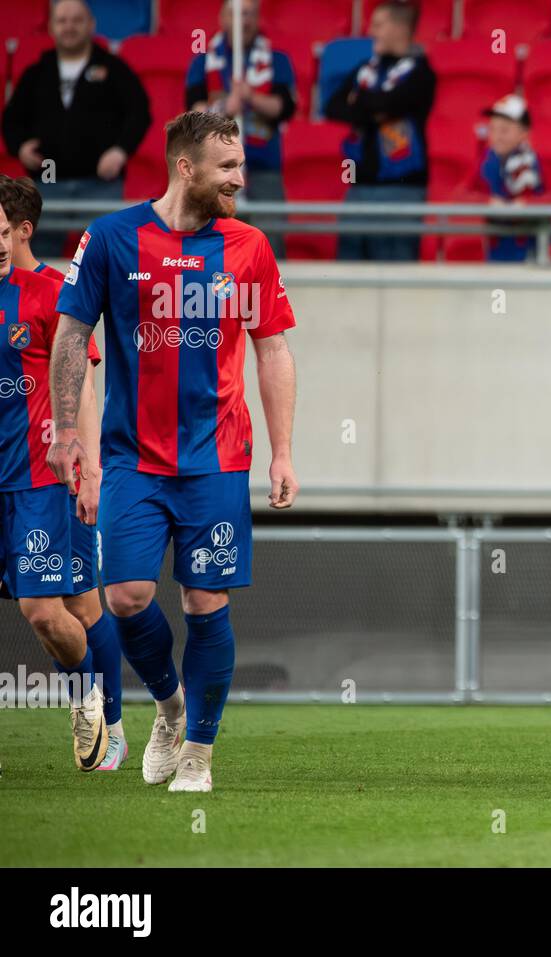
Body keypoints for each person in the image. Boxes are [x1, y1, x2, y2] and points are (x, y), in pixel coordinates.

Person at [48, 110, 300, 793]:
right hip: (132, 457)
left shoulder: (248, 246)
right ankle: (169, 706)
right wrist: (68, 431)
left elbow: (271, 346)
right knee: (127, 595)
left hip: (218, 457)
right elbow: (72, 335)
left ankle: (198, 752)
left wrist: (282, 451)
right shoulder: (111, 237)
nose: (241, 179)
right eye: (228, 168)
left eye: (242, 165)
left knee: (204, 600)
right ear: (184, 167)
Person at [0, 201, 120, 771]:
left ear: (20, 230)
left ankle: (88, 699)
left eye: (3, 232)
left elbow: (87, 387)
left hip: (39, 481)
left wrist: (89, 468)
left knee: (50, 611)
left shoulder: (50, 292)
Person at [2, 0, 150, 260]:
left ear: (91, 25)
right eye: (62, 21)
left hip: (100, 184)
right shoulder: (37, 72)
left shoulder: (113, 68)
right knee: (38, 259)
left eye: (76, 20)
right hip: (47, 181)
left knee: (102, 259)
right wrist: (21, 147)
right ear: (51, 27)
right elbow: (11, 120)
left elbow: (139, 114)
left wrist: (120, 151)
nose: (69, 27)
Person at [324, 0, 436, 261]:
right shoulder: (366, 69)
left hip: (401, 189)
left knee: (394, 276)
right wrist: (375, 108)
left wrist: (361, 101)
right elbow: (332, 106)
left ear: (400, 28)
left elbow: (392, 102)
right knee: (349, 274)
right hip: (358, 186)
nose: (371, 31)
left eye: (378, 25)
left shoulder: (421, 73)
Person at [185, 0, 297, 260]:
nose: (243, 21)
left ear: (258, 19)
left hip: (263, 169)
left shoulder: (276, 60)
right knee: (216, 251)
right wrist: (226, 106)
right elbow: (193, 113)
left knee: (268, 246)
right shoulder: (204, 62)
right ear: (223, 18)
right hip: (215, 171)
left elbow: (284, 107)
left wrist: (250, 97)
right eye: (237, 14)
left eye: (249, 15)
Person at [476, 94, 543, 262]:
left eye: (504, 130)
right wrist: (488, 202)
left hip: (531, 253)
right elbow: (460, 194)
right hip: (496, 253)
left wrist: (526, 204)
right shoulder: (486, 162)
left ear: (523, 133)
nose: (497, 136)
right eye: (492, 129)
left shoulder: (537, 162)